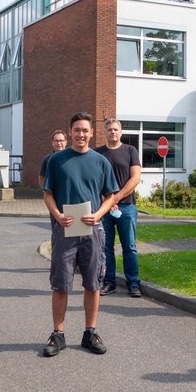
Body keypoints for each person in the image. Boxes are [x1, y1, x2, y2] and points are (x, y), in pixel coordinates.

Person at [41, 112, 118, 357]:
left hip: (92, 230)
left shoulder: (101, 162)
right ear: (70, 131)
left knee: (93, 283)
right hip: (64, 230)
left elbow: (111, 196)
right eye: (77, 130)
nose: (81, 134)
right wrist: (57, 214)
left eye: (85, 130)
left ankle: (90, 332)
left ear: (91, 133)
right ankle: (58, 334)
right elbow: (48, 193)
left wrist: (98, 214)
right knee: (61, 284)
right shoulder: (56, 161)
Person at [95, 118, 142, 297]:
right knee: (106, 247)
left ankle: (133, 283)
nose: (112, 132)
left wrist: (116, 197)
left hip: (127, 206)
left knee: (129, 246)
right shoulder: (98, 153)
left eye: (115, 129)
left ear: (120, 132)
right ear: (105, 132)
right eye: (109, 130)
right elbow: (93, 179)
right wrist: (105, 199)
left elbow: (135, 177)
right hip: (104, 209)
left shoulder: (130, 150)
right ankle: (109, 282)